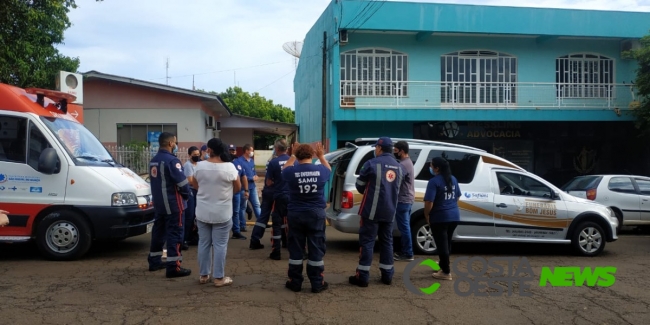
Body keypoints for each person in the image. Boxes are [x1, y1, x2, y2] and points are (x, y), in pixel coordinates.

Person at [349, 136, 404, 287]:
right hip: (390, 212)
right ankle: (387, 276)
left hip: (371, 212)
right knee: (387, 243)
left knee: (367, 242)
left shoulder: (371, 164)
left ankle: (363, 277)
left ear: (379, 148)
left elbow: (360, 186)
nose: (375, 150)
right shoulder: (400, 167)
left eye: (376, 148)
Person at [189, 138, 241, 287]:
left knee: (204, 243)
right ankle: (219, 278)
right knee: (220, 245)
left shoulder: (199, 166)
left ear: (209, 150)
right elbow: (237, 187)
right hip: (222, 212)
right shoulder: (229, 167)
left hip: (203, 211)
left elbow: (195, 184)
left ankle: (204, 275)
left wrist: (207, 193)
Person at [282, 142, 331, 293]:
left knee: (296, 249)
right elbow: (329, 169)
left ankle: (295, 282)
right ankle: (317, 283)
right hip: (316, 214)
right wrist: (321, 156)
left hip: (296, 214)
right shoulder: (320, 171)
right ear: (312, 155)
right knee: (316, 248)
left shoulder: (292, 171)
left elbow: (285, 169)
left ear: (298, 156)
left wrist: (292, 154)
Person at [147, 132, 192, 278]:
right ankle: (174, 267)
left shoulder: (154, 160)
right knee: (175, 234)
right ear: (170, 143)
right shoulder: (172, 161)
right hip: (174, 205)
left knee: (158, 233)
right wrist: (187, 196)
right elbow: (183, 184)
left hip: (159, 205)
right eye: (175, 142)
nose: (176, 145)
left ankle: (154, 261)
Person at [424, 157, 462, 281]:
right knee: (446, 243)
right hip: (454, 216)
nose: (430, 167)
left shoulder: (434, 181)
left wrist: (427, 215)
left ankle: (446, 272)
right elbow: (457, 197)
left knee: (442, 245)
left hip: (440, 217)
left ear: (437, 168)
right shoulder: (453, 179)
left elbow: (429, 201)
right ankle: (443, 265)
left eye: (431, 165)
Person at [265, 139, 290, 260]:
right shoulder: (293, 161)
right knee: (291, 223)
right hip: (292, 197)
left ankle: (276, 252)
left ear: (277, 149)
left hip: (279, 196)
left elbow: (268, 182)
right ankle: (294, 248)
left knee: (277, 224)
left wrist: (277, 181)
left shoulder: (273, 163)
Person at [393, 141, 415, 261]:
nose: (394, 153)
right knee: (405, 227)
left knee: (404, 228)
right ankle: (406, 251)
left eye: (396, 151)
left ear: (402, 151)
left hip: (403, 200)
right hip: (408, 199)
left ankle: (407, 253)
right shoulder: (408, 162)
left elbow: (396, 181)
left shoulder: (403, 165)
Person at [236, 144, 261, 232]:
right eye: (251, 150)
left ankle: (262, 223)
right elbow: (240, 175)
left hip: (252, 187)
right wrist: (251, 178)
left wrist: (255, 176)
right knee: (243, 207)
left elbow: (254, 171)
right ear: (246, 151)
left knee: (256, 205)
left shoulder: (251, 161)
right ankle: (242, 225)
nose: (252, 152)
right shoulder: (239, 161)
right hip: (243, 188)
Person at [182, 146, 201, 249]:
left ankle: (192, 236)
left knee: (196, 216)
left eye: (198, 155)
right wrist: (199, 183)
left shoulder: (199, 164)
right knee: (189, 215)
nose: (197, 157)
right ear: (189, 155)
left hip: (198, 190)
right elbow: (190, 180)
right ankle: (184, 239)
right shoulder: (188, 165)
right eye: (194, 155)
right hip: (191, 191)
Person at [230, 144, 248, 240]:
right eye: (230, 151)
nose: (232, 153)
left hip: (236, 192)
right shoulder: (224, 162)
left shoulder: (238, 162)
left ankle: (236, 232)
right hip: (226, 192)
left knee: (236, 212)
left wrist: (246, 190)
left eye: (233, 151)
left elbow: (243, 176)